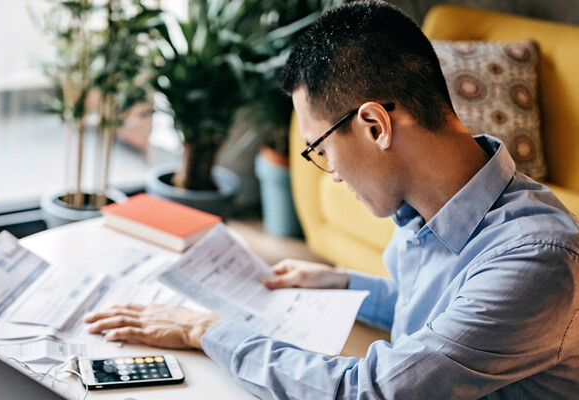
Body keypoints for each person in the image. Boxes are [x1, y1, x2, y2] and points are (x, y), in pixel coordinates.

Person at [84, 1, 579, 398]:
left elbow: (371, 391)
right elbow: (436, 311)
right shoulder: (440, 208)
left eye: (320, 148)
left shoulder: (535, 260)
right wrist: (339, 280)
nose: (333, 175)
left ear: (374, 126)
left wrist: (206, 330)